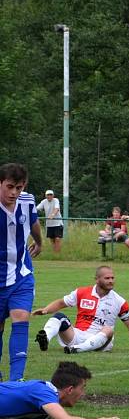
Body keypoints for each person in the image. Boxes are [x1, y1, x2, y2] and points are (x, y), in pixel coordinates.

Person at [32, 265, 129, 354]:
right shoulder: (81, 292)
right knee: (59, 317)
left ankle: (78, 349)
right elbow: (61, 303)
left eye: (112, 278)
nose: (111, 281)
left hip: (101, 341)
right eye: (107, 278)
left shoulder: (119, 301)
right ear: (97, 279)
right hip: (77, 336)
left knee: (108, 330)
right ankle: (45, 339)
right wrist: (46, 310)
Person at [0, 163, 42, 382]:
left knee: (21, 318)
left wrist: (39, 242)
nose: (14, 192)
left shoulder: (27, 201)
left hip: (21, 274)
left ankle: (16, 380)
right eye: (9, 187)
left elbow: (34, 223)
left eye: (19, 187)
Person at [0, 361, 119, 419]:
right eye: (82, 388)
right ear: (70, 389)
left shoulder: (44, 390)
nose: (83, 394)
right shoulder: (44, 392)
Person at [36, 189, 63, 253]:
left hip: (58, 223)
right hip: (49, 224)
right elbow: (37, 208)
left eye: (51, 195)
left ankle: (57, 254)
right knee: (52, 240)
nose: (49, 196)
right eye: (48, 195)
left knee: (57, 239)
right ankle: (55, 253)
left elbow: (56, 208)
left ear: (53, 195)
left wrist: (52, 215)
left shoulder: (56, 200)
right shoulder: (44, 201)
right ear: (46, 196)